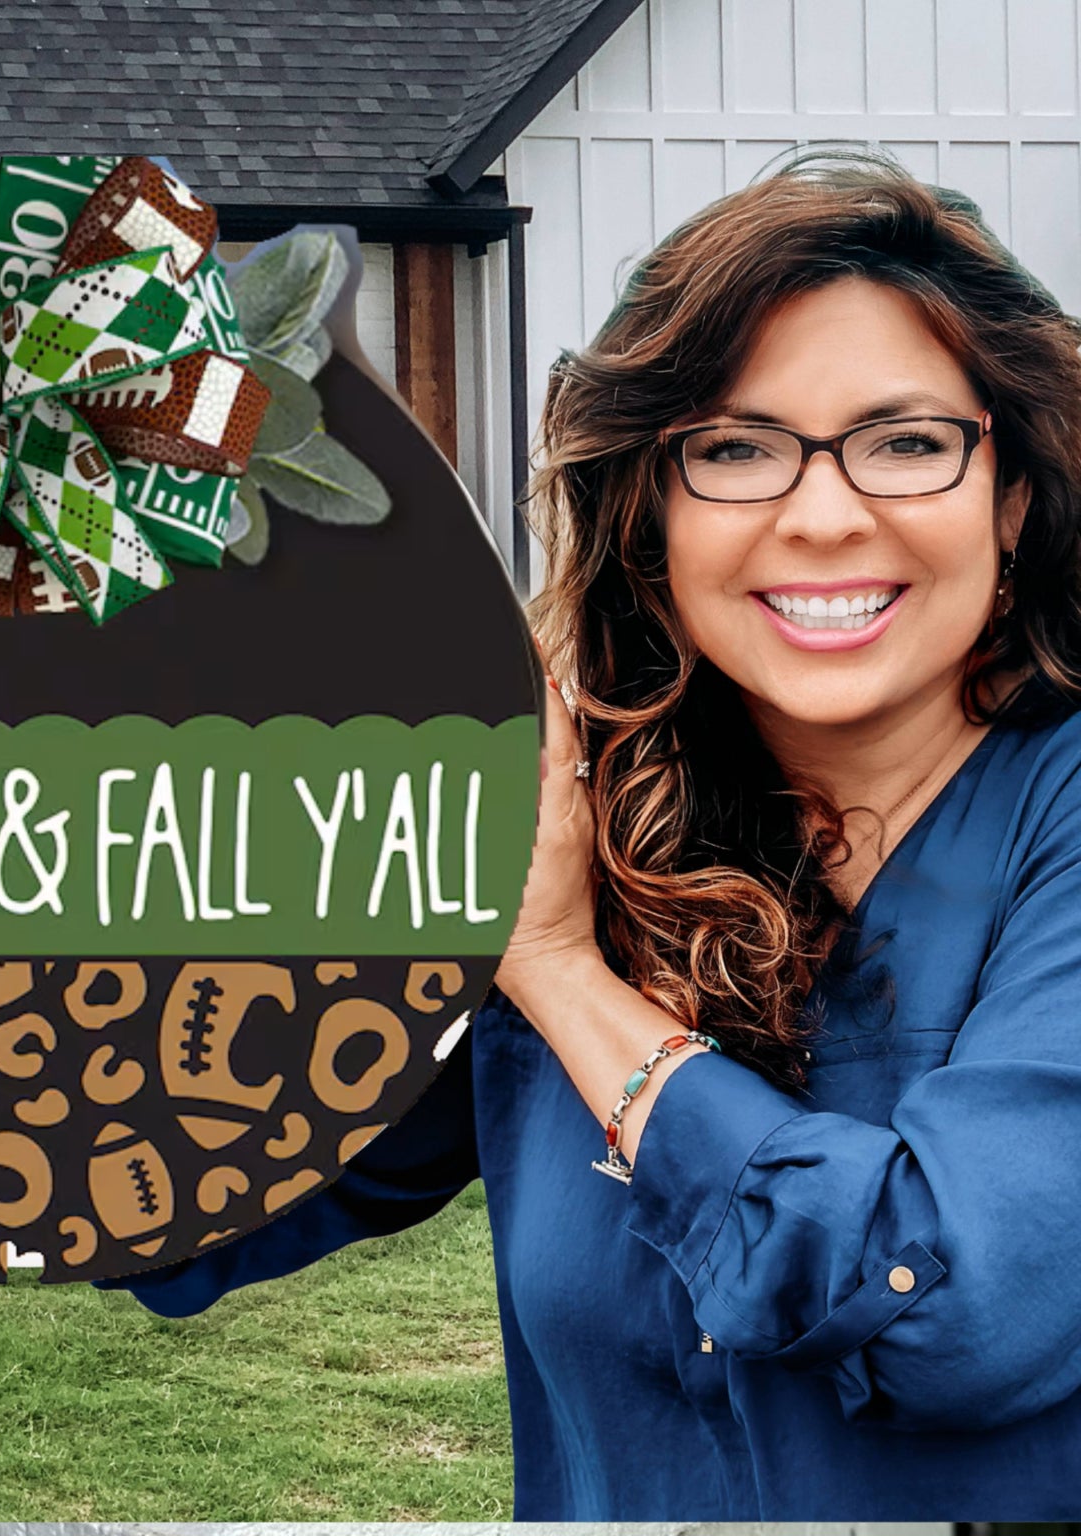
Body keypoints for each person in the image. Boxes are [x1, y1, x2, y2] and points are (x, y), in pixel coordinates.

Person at [98, 151, 1081, 1519]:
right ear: (652, 518)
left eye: (906, 441)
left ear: (1012, 496)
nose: (821, 514)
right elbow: (174, 1192)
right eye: (733, 449)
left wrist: (563, 974)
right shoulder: (577, 827)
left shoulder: (1056, 830)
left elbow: (958, 1310)